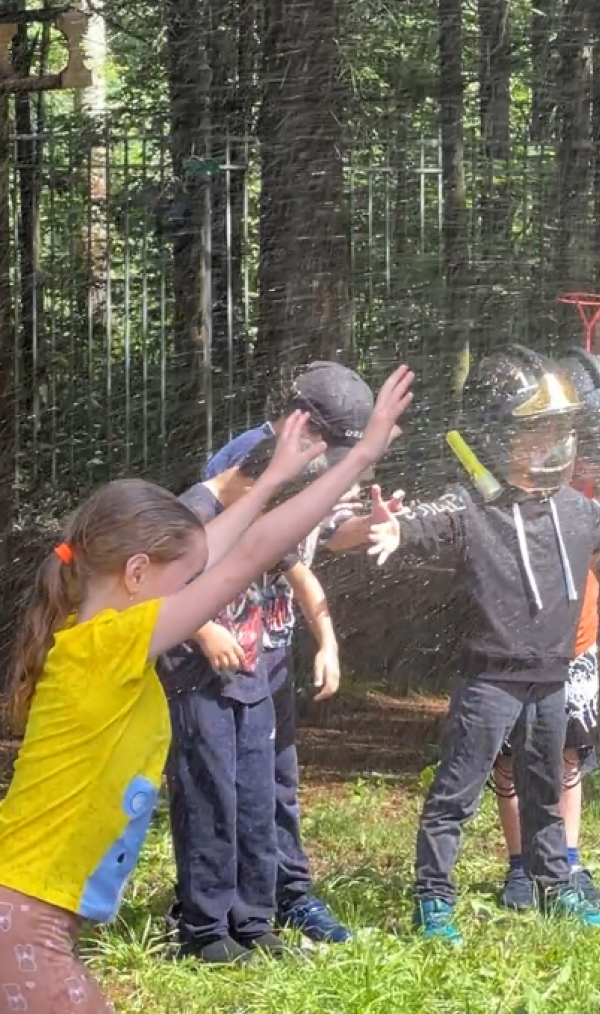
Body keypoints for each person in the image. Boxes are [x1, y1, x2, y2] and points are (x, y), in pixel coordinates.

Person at [0, 366, 414, 1014]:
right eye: (182, 577)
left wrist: (273, 478)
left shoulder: (94, 632)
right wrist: (359, 456)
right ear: (138, 573)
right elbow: (248, 556)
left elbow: (226, 545)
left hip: (5, 918)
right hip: (18, 925)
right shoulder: (114, 642)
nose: (194, 586)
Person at [357, 347, 600, 944]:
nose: (551, 445)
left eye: (559, 432)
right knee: (456, 795)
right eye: (535, 434)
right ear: (498, 438)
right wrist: (394, 528)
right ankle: (433, 900)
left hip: (552, 678)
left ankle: (555, 889)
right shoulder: (473, 507)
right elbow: (426, 521)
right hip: (490, 681)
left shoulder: (577, 509)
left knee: (547, 794)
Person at [162, 362, 367, 964]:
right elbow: (150, 590)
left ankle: (253, 923)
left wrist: (326, 635)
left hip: (257, 673)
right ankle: (203, 930)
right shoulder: (195, 510)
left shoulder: (270, 498)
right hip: (200, 679)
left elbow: (294, 562)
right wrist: (202, 630)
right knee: (210, 798)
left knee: (255, 795)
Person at [491, 349, 600, 913]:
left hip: (577, 638)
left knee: (567, 754)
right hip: (514, 641)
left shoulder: (596, 482)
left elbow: (595, 550)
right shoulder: (509, 477)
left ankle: (568, 860)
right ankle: (519, 866)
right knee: (512, 755)